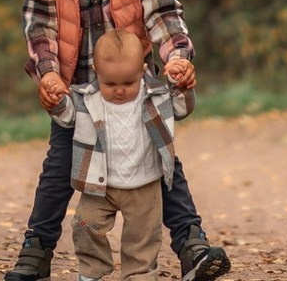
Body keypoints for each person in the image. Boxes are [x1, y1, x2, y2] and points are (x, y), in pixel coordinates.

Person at [3, 0, 230, 281]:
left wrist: (176, 58)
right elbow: (38, 22)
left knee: (161, 159)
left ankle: (191, 244)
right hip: (78, 87)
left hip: (131, 82)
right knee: (59, 165)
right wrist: (48, 73)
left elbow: (162, 12)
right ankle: (36, 249)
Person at [50, 29, 194, 281]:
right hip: (99, 187)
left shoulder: (156, 95)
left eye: (128, 83)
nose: (119, 90)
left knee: (142, 240)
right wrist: (55, 102)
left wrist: (181, 86)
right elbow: (66, 117)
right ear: (97, 72)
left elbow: (182, 108)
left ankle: (139, 276)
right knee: (85, 227)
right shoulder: (86, 99)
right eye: (110, 84)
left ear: (142, 70)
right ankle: (91, 272)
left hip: (144, 185)